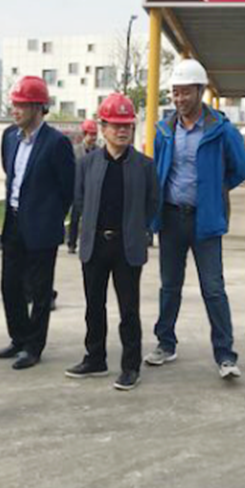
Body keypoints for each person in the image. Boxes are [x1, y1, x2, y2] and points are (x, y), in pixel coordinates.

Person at [145, 59, 245, 379]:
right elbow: (158, 168)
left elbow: (240, 168)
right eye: (175, 93)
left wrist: (214, 190)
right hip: (171, 217)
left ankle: (225, 355)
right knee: (169, 286)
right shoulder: (165, 130)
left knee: (213, 288)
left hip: (205, 221)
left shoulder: (221, 129)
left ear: (200, 91)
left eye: (185, 92)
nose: (179, 99)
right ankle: (165, 344)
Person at [66, 94, 158, 390]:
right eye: (116, 125)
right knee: (94, 306)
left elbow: (152, 204)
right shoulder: (87, 164)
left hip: (127, 247)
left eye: (127, 125)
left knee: (128, 309)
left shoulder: (144, 166)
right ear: (103, 128)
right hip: (95, 245)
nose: (122, 130)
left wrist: (138, 229)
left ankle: (130, 366)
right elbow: (79, 200)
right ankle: (95, 358)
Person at [0, 76, 75, 370]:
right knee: (9, 286)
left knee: (40, 292)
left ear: (39, 107)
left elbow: (68, 188)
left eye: (21, 105)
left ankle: (33, 346)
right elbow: (12, 175)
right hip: (13, 222)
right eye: (13, 104)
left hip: (42, 227)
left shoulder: (56, 143)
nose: (14, 110)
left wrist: (50, 216)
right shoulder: (9, 137)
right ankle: (18, 338)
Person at [68, 119, 99, 254]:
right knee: (75, 217)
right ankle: (72, 243)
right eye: (90, 134)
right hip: (77, 187)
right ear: (84, 134)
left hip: (92, 189)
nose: (93, 138)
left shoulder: (99, 151)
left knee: (91, 218)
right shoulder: (75, 151)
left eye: (94, 134)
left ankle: (89, 243)